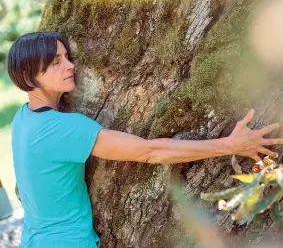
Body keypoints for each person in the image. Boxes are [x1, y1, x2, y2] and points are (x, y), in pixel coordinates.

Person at [7, 31, 283, 248]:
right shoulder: (63, 128)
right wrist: (230, 145)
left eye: (67, 57)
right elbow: (149, 152)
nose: (70, 66)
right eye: (56, 62)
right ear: (28, 77)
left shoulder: (24, 118)